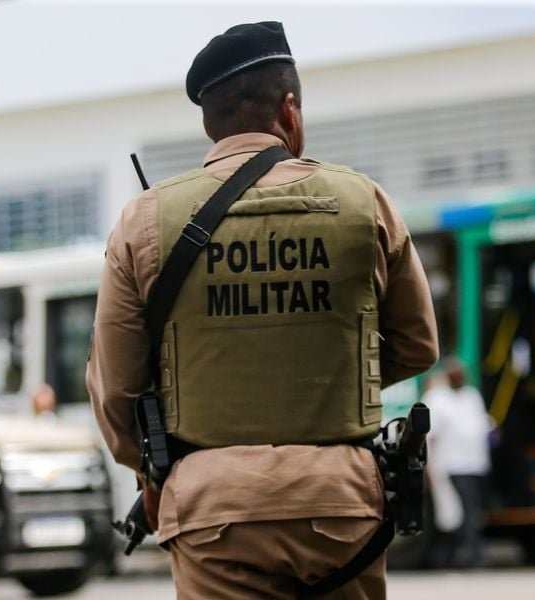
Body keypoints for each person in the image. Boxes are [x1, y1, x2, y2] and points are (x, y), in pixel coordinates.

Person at [87, 21, 438, 600]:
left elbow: (116, 389)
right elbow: (416, 346)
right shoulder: (363, 203)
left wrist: (147, 473)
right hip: (342, 507)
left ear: (208, 122)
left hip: (210, 510)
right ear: (291, 110)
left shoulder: (144, 221)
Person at [423, 357, 492, 569]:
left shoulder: (472, 396)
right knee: (455, 513)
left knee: (466, 513)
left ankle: (451, 557)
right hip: (451, 466)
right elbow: (431, 437)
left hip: (475, 465)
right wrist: (430, 468)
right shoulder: (437, 399)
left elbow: (482, 425)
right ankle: (471, 557)